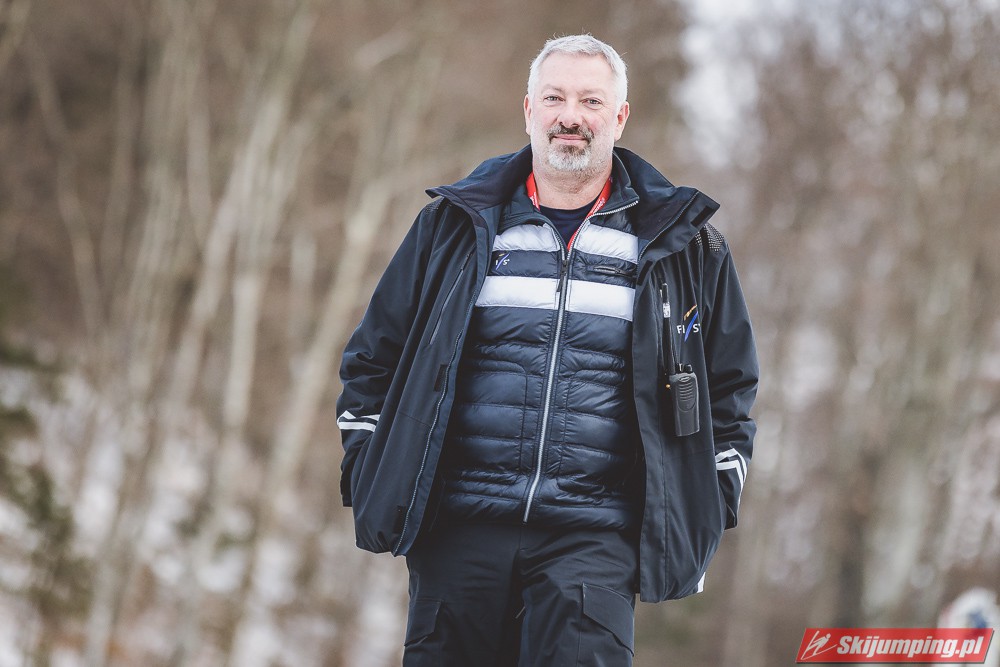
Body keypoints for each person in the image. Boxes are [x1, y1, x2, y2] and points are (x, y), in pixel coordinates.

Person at [337, 34, 758, 666]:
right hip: (459, 527)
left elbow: (730, 385)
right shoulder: (454, 226)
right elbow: (376, 353)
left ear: (620, 117)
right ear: (528, 109)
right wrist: (367, 461)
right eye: (555, 97)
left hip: (597, 537)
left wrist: (714, 492)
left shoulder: (684, 247)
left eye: (591, 100)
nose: (571, 116)